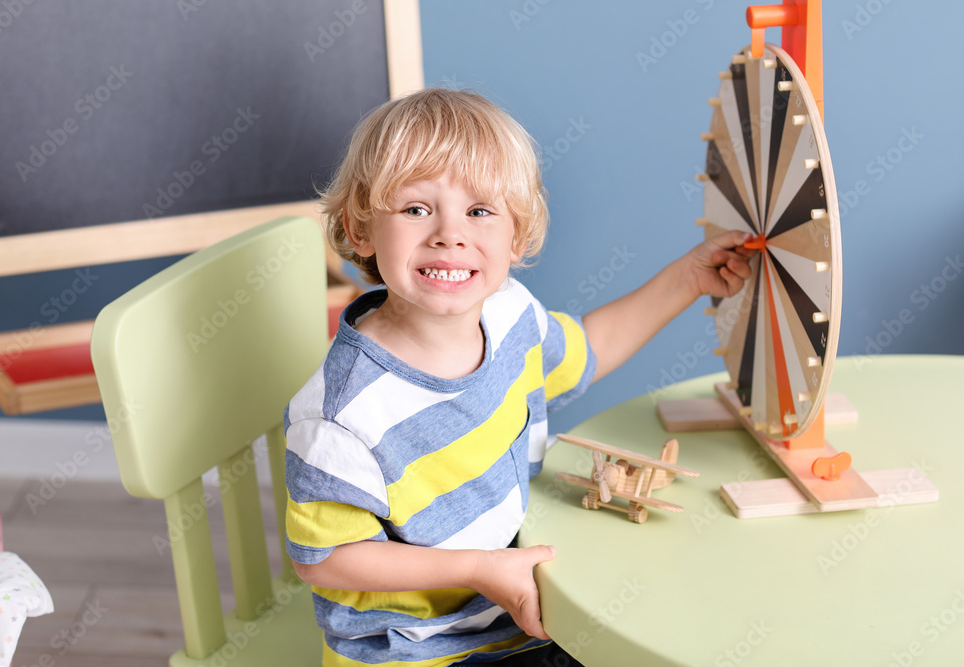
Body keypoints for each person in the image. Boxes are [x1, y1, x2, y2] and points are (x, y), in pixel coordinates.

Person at [284, 88, 754, 666]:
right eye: (415, 209)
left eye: (479, 211)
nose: (449, 233)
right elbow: (324, 558)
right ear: (360, 231)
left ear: (519, 235)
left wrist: (688, 279)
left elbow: (590, 347)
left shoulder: (510, 316)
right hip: (424, 653)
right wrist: (479, 570)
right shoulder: (340, 413)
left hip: (522, 612)